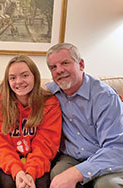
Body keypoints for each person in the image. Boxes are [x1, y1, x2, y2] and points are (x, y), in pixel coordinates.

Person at [46, 43, 123, 188]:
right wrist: (3, 93)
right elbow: (25, 90)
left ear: (80, 64)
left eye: (65, 63)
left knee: (107, 184)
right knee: (57, 174)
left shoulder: (105, 97)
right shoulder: (51, 91)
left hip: (107, 156)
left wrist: (78, 172)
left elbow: (117, 147)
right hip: (72, 157)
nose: (59, 70)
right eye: (53, 67)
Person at [0, 55, 62, 188]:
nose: (18, 82)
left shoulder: (49, 104)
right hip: (8, 160)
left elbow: (45, 145)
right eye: (13, 78)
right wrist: (17, 170)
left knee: (41, 183)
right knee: (8, 183)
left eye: (25, 75)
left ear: (35, 76)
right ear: (7, 81)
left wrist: (30, 173)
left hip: (37, 160)